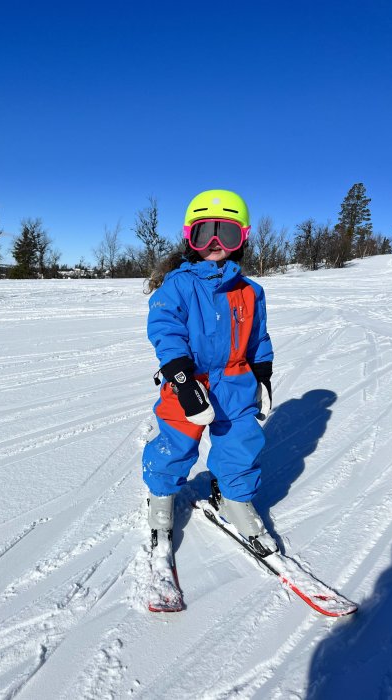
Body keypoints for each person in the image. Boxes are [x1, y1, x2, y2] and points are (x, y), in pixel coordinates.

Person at [142, 189, 277, 557]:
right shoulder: (178, 285)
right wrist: (181, 377)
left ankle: (235, 498)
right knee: (178, 439)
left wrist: (262, 372)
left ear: (243, 238)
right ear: (191, 237)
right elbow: (165, 330)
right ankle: (161, 497)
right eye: (205, 233)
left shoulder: (251, 291)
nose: (215, 242)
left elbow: (258, 335)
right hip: (190, 380)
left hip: (235, 380)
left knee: (241, 441)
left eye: (227, 233)